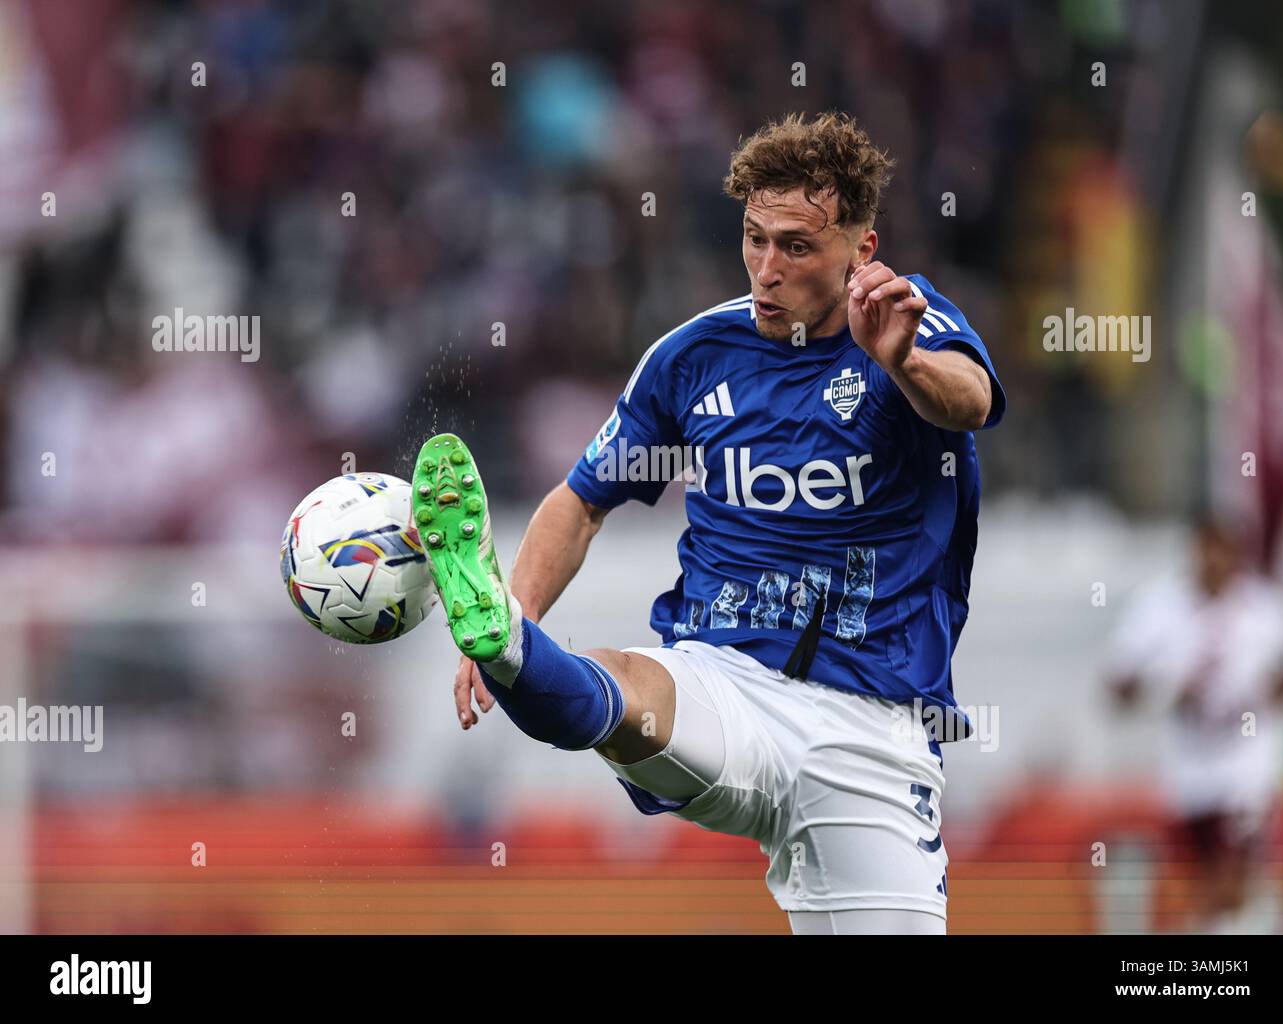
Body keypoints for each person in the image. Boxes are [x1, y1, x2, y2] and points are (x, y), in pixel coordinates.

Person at [412, 111, 1005, 935]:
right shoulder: (693, 356)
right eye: (754, 239)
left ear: (861, 251)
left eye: (796, 247)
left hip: (871, 725)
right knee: (626, 690)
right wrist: (526, 603)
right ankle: (508, 642)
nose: (767, 268)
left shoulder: (909, 322)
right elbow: (581, 501)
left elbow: (969, 403)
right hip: (725, 677)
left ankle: (518, 652)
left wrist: (899, 362)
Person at [1109, 519, 1283, 934]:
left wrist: (1258, 695)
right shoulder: (1158, 607)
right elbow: (1116, 688)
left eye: (1223, 551)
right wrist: (1167, 688)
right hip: (1188, 774)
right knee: (1207, 881)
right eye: (1207, 551)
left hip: (1247, 769)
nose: (1214, 562)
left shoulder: (1264, 608)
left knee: (1231, 879)